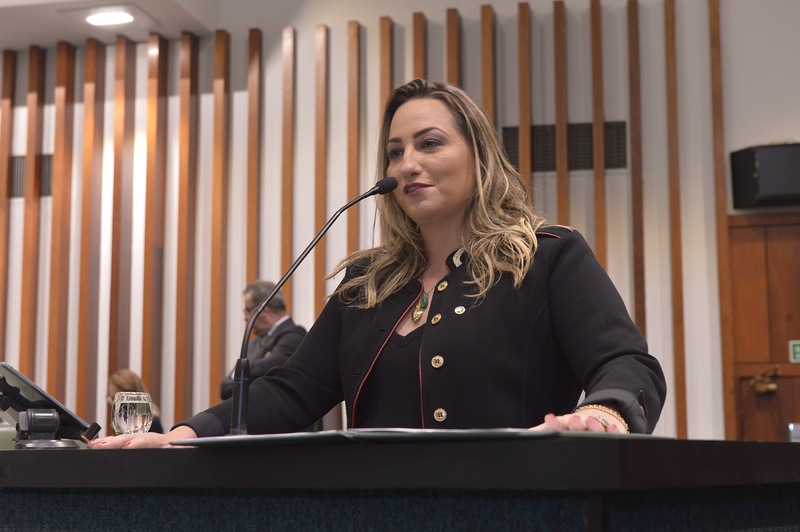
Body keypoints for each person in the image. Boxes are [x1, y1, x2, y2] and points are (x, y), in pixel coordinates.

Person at [91, 78, 666, 449]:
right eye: (395, 152)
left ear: (479, 155)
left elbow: (626, 363)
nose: (407, 164)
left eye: (430, 143)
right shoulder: (365, 286)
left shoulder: (547, 257)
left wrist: (604, 414)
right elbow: (292, 390)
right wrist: (185, 434)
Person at [219, 280, 307, 400]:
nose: (245, 318)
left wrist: (241, 374)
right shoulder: (254, 342)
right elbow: (225, 388)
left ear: (264, 310)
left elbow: (268, 368)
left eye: (247, 311)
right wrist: (245, 373)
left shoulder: (294, 335)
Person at [108, 369, 164, 434]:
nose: (114, 403)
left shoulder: (150, 423)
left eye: (118, 399)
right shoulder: (121, 421)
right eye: (112, 399)